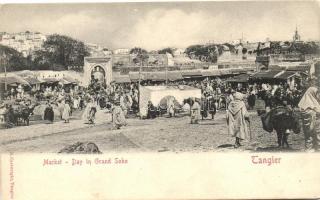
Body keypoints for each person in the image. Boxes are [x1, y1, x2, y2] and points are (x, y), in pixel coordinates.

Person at [298, 80, 320, 152]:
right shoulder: (312, 107)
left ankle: (310, 148)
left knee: (308, 133)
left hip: (311, 137)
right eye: (317, 94)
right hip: (316, 134)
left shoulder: (305, 105)